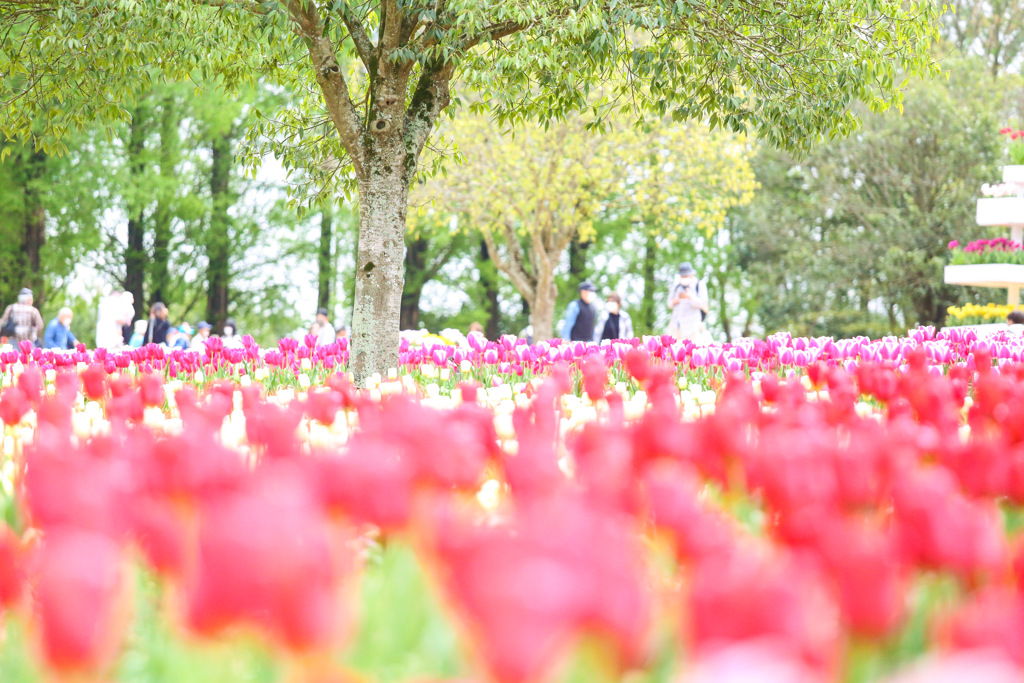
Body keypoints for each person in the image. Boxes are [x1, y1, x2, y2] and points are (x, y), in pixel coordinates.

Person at [668, 263, 709, 342]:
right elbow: (669, 303)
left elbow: (704, 304)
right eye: (683, 276)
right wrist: (674, 301)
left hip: (692, 326)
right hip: (676, 325)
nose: (684, 278)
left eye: (686, 276)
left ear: (692, 274)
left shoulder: (699, 285)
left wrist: (690, 297)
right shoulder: (676, 286)